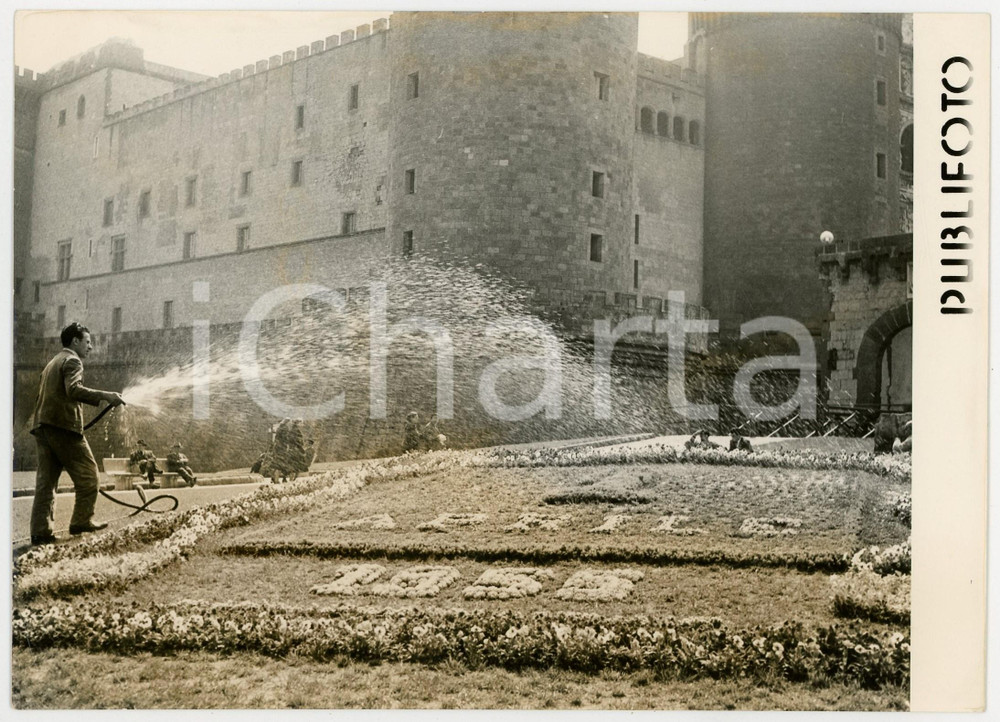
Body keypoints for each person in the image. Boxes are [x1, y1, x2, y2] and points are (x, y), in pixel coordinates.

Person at [29, 322, 125, 545]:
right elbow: (73, 389)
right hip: (64, 428)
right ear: (75, 341)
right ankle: (81, 521)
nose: (90, 347)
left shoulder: (52, 362)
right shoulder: (73, 360)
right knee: (90, 476)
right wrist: (106, 395)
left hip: (43, 427)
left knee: (46, 483)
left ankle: (40, 532)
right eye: (88, 342)